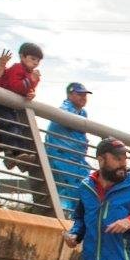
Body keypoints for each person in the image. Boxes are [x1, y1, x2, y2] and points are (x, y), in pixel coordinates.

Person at [0, 42, 42, 171]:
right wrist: (31, 81)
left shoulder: (31, 74)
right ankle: (14, 154)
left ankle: (15, 156)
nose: (35, 63)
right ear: (22, 57)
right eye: (33, 59)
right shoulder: (17, 68)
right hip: (2, 103)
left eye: (38, 61)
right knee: (10, 125)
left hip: (12, 105)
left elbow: (26, 89)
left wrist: (31, 92)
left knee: (17, 127)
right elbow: (15, 86)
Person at [44, 82, 91, 217]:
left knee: (86, 188)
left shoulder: (82, 112)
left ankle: (76, 218)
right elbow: (65, 118)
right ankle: (67, 218)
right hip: (62, 158)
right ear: (70, 94)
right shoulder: (65, 108)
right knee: (68, 191)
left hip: (77, 160)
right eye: (79, 94)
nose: (83, 97)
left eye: (85, 95)